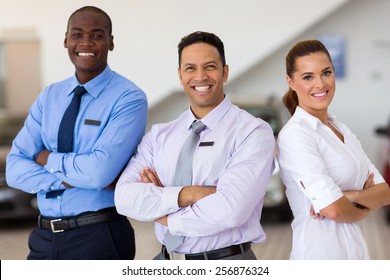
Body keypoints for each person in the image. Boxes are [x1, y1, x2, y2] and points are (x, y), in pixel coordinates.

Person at [114, 31, 275, 260]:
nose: (200, 76)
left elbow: (230, 211)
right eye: (190, 68)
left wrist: (162, 212)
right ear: (180, 75)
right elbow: (124, 198)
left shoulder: (252, 132)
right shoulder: (160, 135)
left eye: (210, 66)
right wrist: (188, 194)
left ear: (225, 72)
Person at [6, 6, 148, 260]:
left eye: (96, 35)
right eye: (77, 34)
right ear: (66, 40)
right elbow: (14, 170)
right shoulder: (49, 96)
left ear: (110, 42)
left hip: (98, 235)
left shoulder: (128, 98)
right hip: (43, 237)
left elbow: (97, 173)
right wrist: (74, 176)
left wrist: (47, 159)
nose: (86, 43)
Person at [277, 39, 390, 259]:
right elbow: (333, 210)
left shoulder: (341, 128)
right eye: (308, 77)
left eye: (326, 73)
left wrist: (351, 195)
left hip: (354, 252)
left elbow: (385, 192)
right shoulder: (295, 135)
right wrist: (365, 207)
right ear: (290, 82)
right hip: (318, 256)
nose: (320, 84)